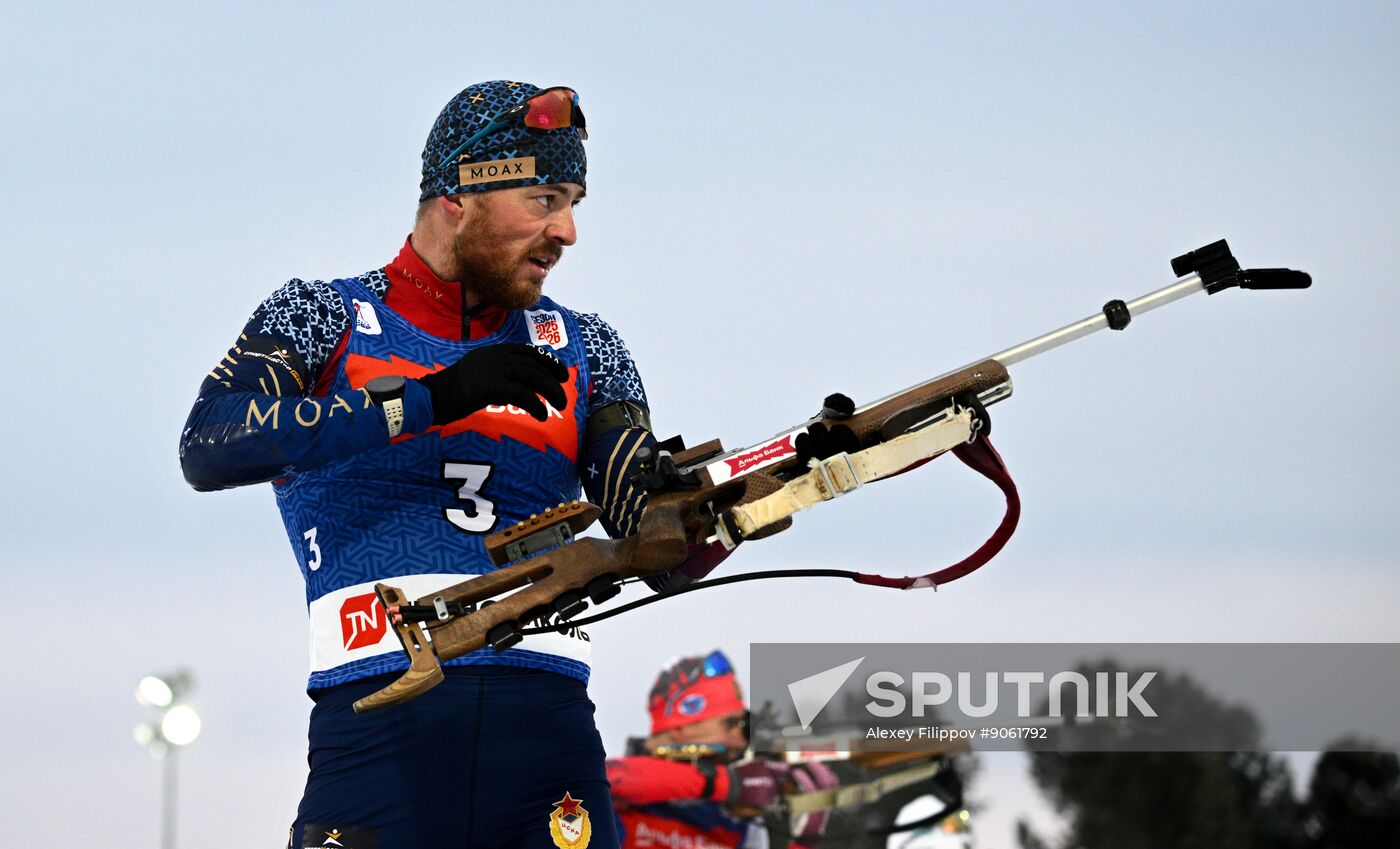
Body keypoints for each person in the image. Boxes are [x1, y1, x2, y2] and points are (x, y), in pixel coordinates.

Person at [181, 80, 697, 849]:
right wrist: (429, 399)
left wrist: (700, 509)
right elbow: (209, 442)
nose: (568, 231)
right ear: (459, 195)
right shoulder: (323, 315)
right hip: (380, 725)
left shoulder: (588, 346)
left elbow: (650, 531)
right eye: (546, 199)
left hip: (548, 739)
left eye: (575, 203)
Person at [606, 651, 840, 848]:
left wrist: (804, 841)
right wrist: (730, 784)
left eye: (745, 726)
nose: (740, 741)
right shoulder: (621, 795)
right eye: (730, 724)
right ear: (682, 726)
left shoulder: (736, 820)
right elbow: (608, 779)